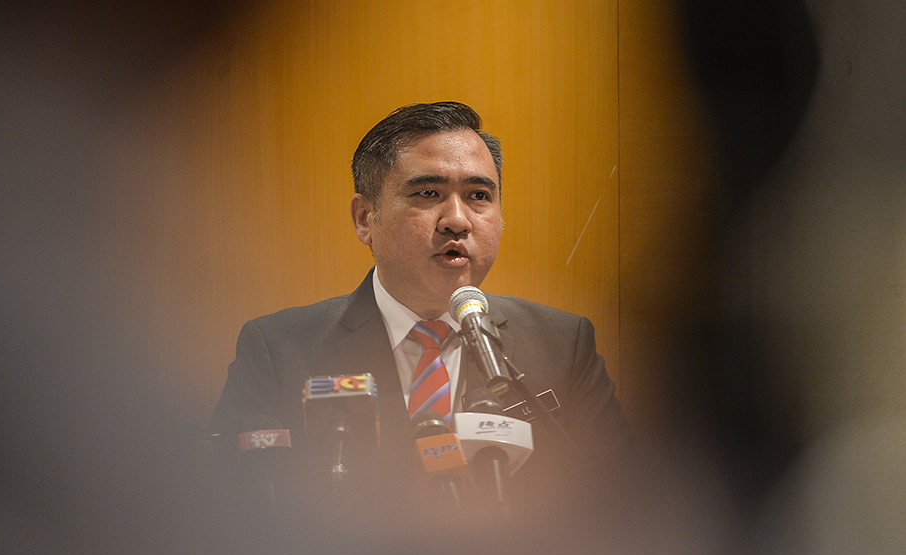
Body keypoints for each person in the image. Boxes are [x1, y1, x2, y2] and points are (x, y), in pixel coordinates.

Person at [209, 101, 631, 524]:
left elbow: (618, 503)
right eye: (428, 194)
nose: (457, 220)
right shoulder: (278, 350)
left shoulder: (561, 343)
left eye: (479, 196)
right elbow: (237, 515)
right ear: (364, 218)